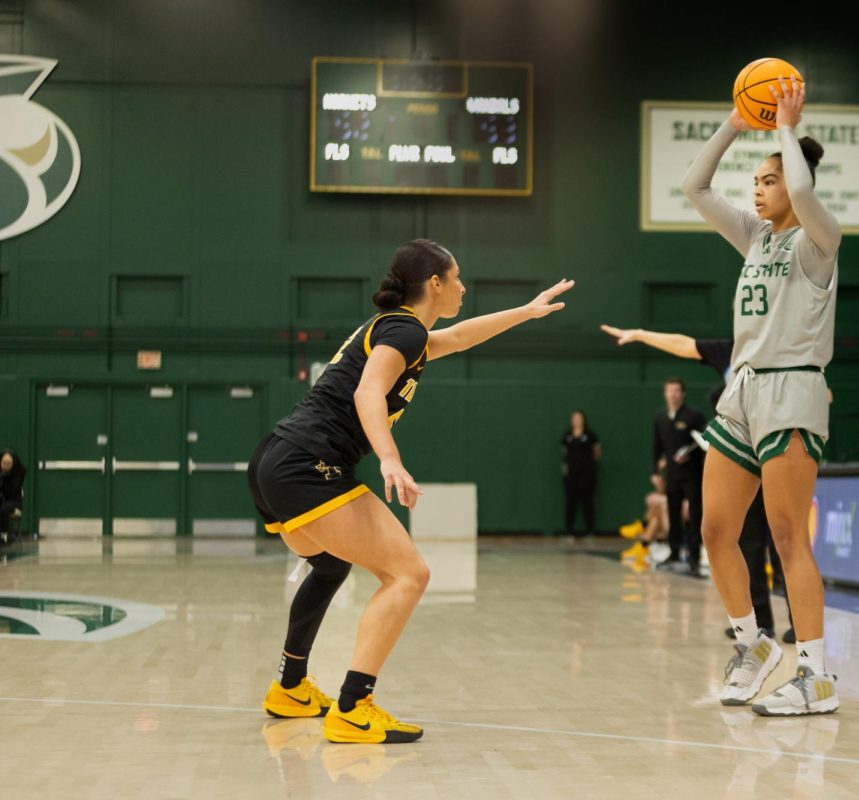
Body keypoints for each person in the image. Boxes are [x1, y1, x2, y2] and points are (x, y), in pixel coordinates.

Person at [248, 239, 572, 744]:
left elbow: (461, 337)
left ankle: (290, 687)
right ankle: (354, 707)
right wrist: (390, 459)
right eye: (457, 277)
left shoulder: (404, 331)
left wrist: (527, 312)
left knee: (332, 562)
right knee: (409, 574)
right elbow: (366, 391)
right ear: (435, 284)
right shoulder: (404, 329)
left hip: (275, 458)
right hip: (307, 465)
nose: (464, 286)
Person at [682, 75, 839, 716]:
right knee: (715, 528)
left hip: (793, 387)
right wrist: (733, 124)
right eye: (758, 181)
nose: (759, 187)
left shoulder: (819, 238)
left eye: (768, 180)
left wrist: (784, 126)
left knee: (784, 534)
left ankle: (817, 674)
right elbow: (694, 186)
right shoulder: (755, 237)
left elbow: (802, 188)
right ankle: (753, 645)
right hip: (742, 390)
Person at [600, 323, 795, 641]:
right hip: (744, 456)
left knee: (784, 541)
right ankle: (761, 623)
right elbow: (682, 342)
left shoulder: (781, 347)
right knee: (748, 542)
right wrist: (640, 335)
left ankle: (801, 625)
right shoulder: (728, 349)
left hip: (780, 453)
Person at [652, 377, 707, 574]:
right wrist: (655, 471)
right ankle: (674, 552)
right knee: (673, 515)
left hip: (692, 475)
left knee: (694, 515)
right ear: (665, 393)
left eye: (677, 391)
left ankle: (693, 556)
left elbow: (704, 442)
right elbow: (656, 447)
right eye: (669, 391)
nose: (673, 394)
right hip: (672, 476)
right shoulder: (660, 417)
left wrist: (689, 454)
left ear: (683, 393)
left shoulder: (694, 416)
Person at [561, 410, 601, 539]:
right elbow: (564, 452)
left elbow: (597, 452)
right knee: (570, 503)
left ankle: (590, 531)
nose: (577, 420)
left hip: (587, 475)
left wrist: (588, 465)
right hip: (571, 475)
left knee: (588, 502)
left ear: (583, 419)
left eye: (579, 418)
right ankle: (569, 532)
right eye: (574, 418)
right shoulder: (567, 436)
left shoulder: (590, 435)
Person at [0, 449, 25, 541]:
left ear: (13, 463)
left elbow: (11, 490)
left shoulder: (18, 473)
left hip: (14, 501)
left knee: (3, 509)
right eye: (4, 463)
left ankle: (4, 535)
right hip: (2, 499)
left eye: (8, 463)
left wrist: (4, 477)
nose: (6, 466)